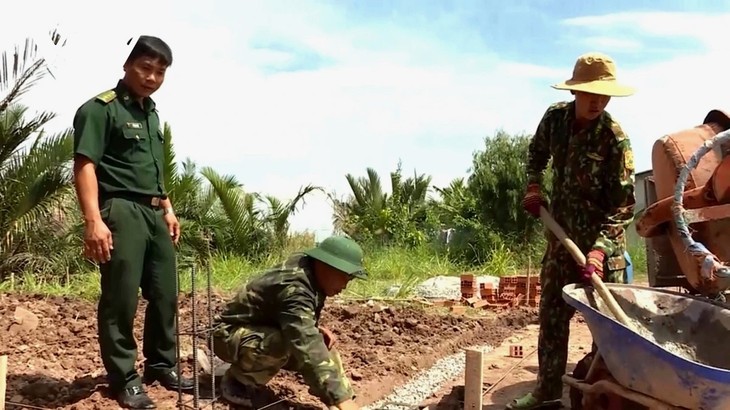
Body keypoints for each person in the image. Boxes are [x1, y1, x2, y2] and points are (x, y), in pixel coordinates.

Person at [509, 52, 636, 409]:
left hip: (600, 252)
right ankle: (547, 391)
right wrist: (534, 186)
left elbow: (623, 206)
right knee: (551, 317)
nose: (598, 101)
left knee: (606, 333)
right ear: (575, 92)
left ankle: (605, 395)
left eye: (604, 95)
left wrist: (598, 250)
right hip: (560, 241)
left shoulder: (615, 141)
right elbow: (536, 154)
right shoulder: (555, 120)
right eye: (590, 93)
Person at [72, 35, 194, 409]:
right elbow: (84, 165)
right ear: (127, 66)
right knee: (120, 298)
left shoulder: (151, 114)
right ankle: (124, 378)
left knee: (164, 294)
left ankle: (161, 364)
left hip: (155, 213)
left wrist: (168, 207)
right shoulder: (99, 109)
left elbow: (152, 170)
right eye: (146, 68)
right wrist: (93, 220)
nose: (152, 77)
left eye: (160, 72)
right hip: (121, 211)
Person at [211, 235, 367, 410]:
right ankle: (238, 383)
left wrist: (342, 398)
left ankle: (342, 399)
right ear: (327, 266)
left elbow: (295, 322)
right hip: (225, 335)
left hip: (253, 330)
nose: (345, 285)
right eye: (345, 277)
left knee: (322, 345)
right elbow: (305, 343)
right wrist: (341, 401)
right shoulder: (295, 288)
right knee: (285, 343)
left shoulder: (311, 271)